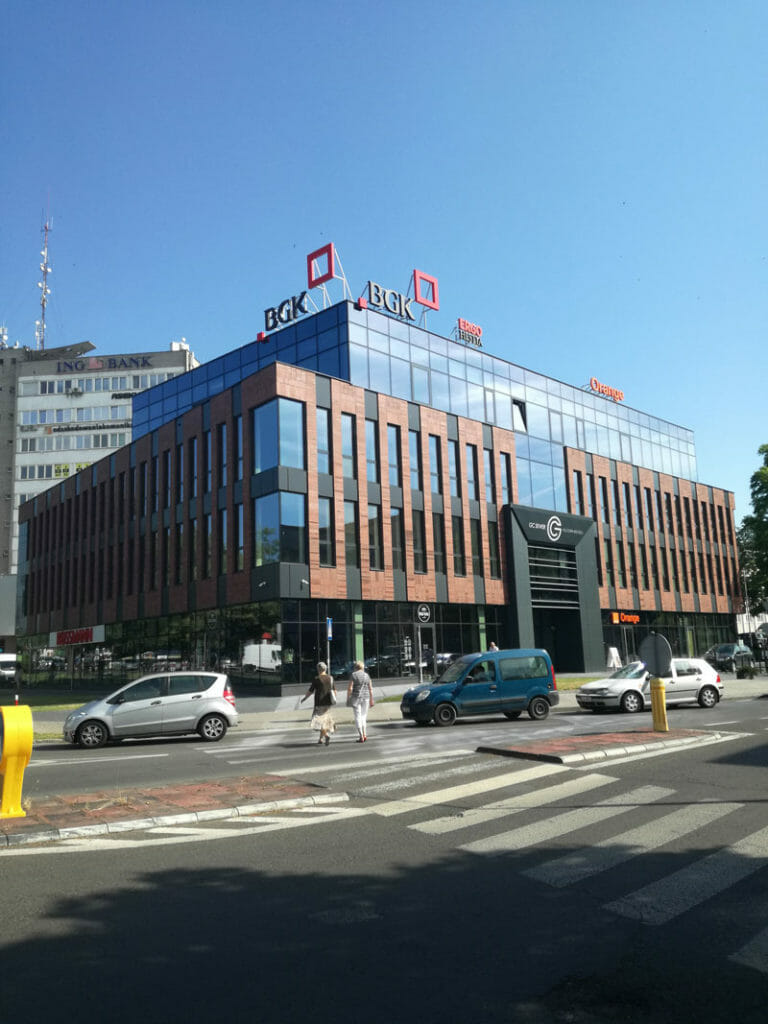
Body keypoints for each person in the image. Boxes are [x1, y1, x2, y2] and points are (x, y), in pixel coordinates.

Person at [300, 662, 336, 746]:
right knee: (324, 721)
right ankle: (320, 739)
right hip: (328, 702)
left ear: (318, 669)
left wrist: (305, 698)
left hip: (319, 703)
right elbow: (334, 690)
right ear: (325, 669)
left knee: (318, 721)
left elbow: (310, 690)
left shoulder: (316, 679)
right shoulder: (330, 678)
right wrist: (333, 699)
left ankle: (326, 735)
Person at [347, 660, 374, 742]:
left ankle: (361, 736)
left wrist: (348, 698)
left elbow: (350, 688)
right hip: (366, 698)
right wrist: (371, 700)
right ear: (362, 667)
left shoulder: (353, 675)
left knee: (357, 716)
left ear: (355, 667)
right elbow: (370, 689)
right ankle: (365, 734)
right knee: (363, 716)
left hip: (356, 697)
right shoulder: (367, 676)